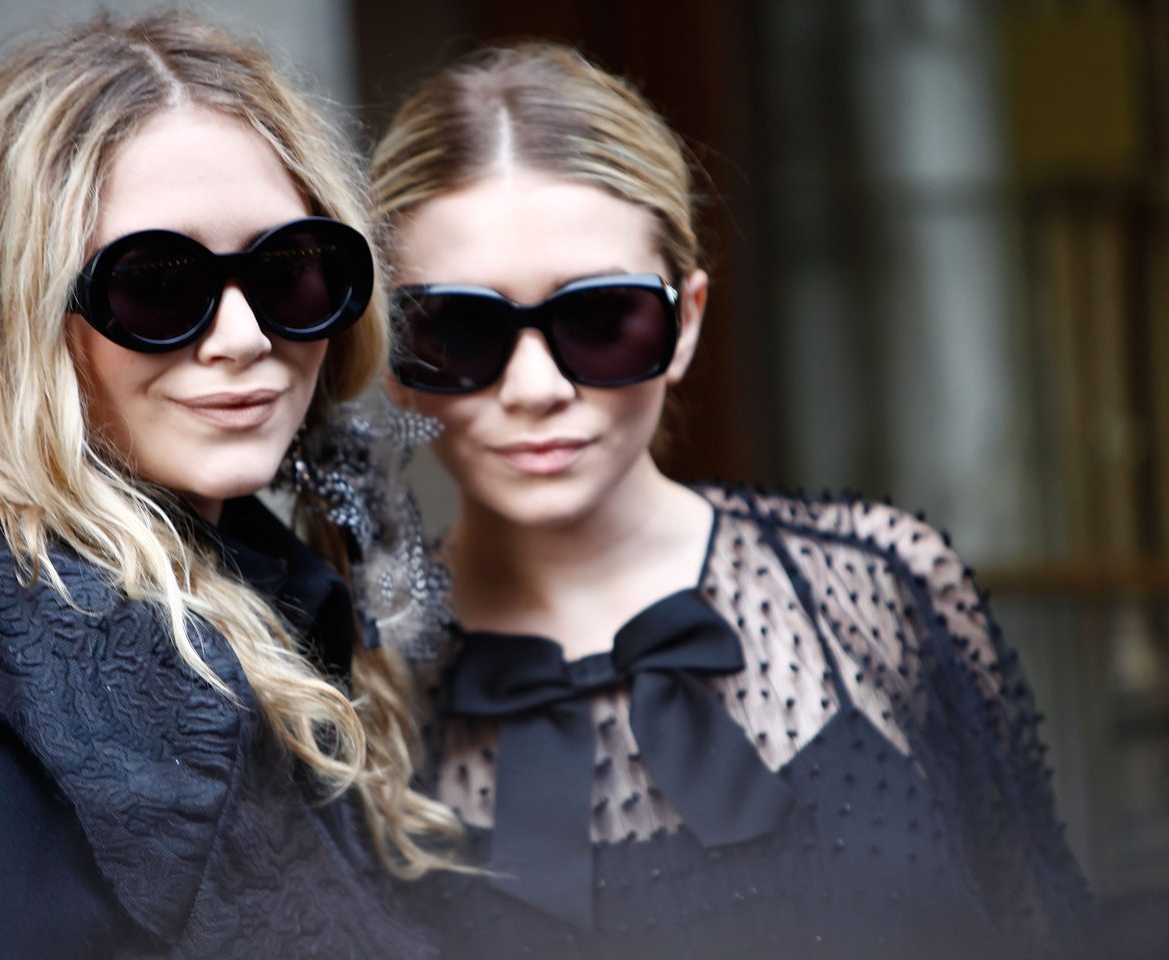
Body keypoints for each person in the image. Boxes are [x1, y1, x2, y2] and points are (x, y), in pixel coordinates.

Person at [0, 12, 460, 959]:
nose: (244, 339)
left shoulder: (263, 572)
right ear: (26, 314)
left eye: (288, 271)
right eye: (158, 284)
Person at [371, 43, 1094, 960]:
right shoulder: (359, 686)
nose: (536, 386)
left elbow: (1050, 929)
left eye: (599, 317)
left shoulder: (881, 587)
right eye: (458, 329)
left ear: (687, 322)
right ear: (389, 354)